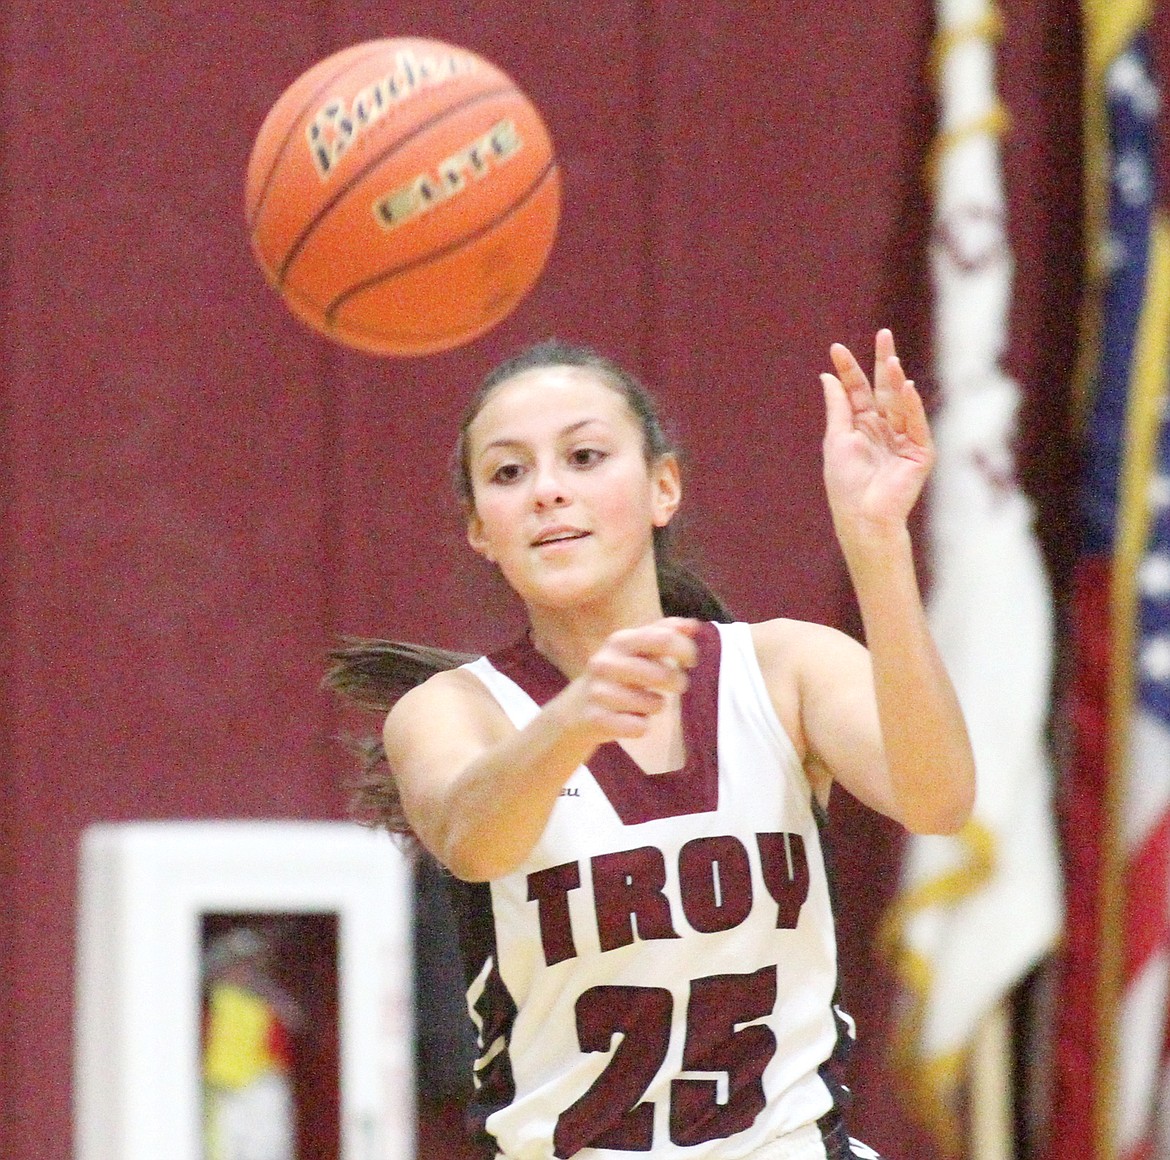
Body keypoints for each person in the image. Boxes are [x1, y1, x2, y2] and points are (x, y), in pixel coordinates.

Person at [326, 331, 975, 1160]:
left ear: (664, 487)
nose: (548, 492)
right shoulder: (452, 711)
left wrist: (877, 540)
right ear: (480, 531)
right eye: (508, 472)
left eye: (585, 456)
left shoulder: (782, 669)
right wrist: (575, 717)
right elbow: (471, 840)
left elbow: (940, 799)